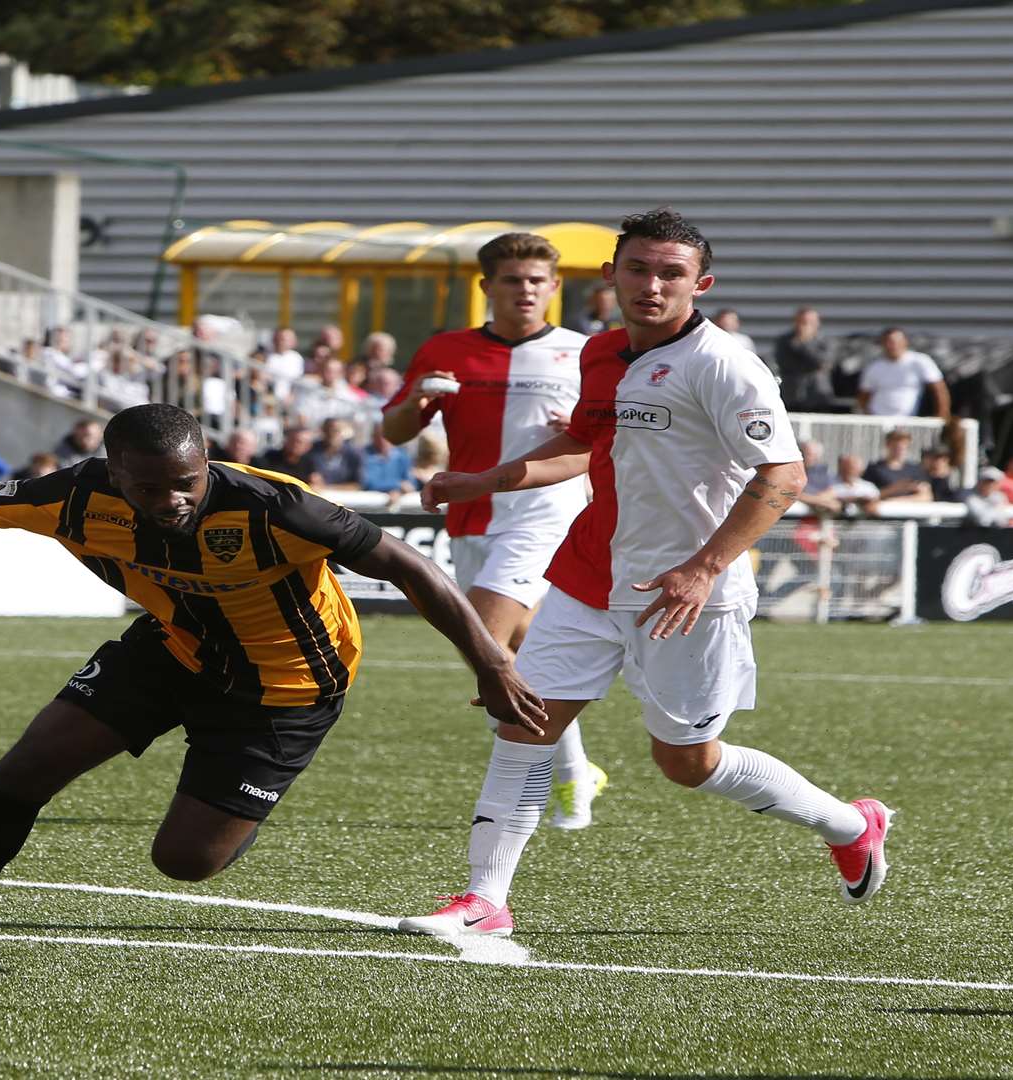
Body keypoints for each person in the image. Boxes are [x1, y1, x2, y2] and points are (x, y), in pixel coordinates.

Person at [0, 403, 546, 972]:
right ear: (114, 474)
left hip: (287, 684)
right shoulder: (75, 495)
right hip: (171, 650)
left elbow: (412, 568)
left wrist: (492, 663)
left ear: (206, 462)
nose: (173, 500)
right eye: (150, 488)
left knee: (184, 861)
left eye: (188, 482)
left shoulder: (276, 507)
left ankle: (232, 794)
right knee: (20, 774)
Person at [400, 208, 892, 938]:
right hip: (586, 574)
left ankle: (849, 823)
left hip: (684, 597)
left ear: (702, 284)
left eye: (671, 274)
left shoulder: (723, 365)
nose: (652, 285)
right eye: (638, 269)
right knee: (521, 720)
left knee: (686, 763)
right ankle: (484, 900)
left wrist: (703, 568)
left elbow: (784, 478)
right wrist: (486, 480)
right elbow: (582, 441)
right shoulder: (599, 352)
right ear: (610, 275)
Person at [384, 231, 605, 832]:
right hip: (470, 519)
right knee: (510, 657)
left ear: (555, 288)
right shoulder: (446, 349)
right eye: (513, 280)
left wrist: (583, 430)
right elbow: (397, 430)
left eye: (537, 280)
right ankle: (573, 768)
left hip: (545, 515)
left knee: (482, 638)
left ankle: (524, 793)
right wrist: (420, 402)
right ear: (488, 287)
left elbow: (614, 439)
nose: (526, 290)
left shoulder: (587, 353)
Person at [857, 328, 948, 421]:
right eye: (888, 342)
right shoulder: (874, 367)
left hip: (910, 421)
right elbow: (864, 397)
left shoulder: (920, 362)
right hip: (879, 420)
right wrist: (868, 417)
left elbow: (939, 390)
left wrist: (941, 417)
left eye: (896, 342)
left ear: (905, 342)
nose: (892, 346)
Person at [772, 307, 833, 412]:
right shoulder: (785, 341)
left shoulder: (825, 341)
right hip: (792, 394)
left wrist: (804, 343)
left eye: (811, 322)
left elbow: (822, 363)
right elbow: (784, 363)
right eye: (803, 322)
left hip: (817, 394)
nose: (806, 326)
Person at [861, 430, 931, 501]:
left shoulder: (916, 469)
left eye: (903, 446)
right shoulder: (874, 469)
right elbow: (867, 495)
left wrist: (896, 501)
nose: (899, 450)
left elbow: (926, 496)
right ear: (888, 445)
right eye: (895, 446)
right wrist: (894, 489)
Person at [306, 417, 364, 490]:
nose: (331, 433)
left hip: (346, 498)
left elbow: (358, 485)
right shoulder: (311, 451)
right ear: (322, 431)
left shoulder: (353, 454)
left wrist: (327, 488)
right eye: (328, 430)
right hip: (318, 496)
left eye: (336, 430)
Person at [360, 424, 415, 499]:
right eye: (379, 436)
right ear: (373, 437)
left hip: (398, 504)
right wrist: (397, 485)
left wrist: (397, 491)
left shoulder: (402, 457)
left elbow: (410, 484)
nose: (383, 440)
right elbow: (368, 483)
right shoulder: (363, 455)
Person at [251, 425, 316, 478]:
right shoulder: (269, 458)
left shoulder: (309, 464)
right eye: (292, 440)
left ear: (308, 446)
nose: (295, 444)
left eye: (299, 442)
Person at [262, 326, 306, 396]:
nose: (281, 342)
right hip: (268, 398)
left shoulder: (296, 358)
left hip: (288, 400)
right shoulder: (266, 355)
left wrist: (292, 395)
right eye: (279, 338)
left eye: (284, 339)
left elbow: (297, 380)